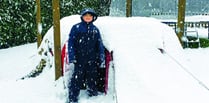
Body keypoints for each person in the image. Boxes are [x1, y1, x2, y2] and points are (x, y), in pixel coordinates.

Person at [67, 8, 105, 103]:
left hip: (92, 58)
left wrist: (101, 56)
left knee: (92, 77)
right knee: (77, 78)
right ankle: (73, 97)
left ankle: (93, 95)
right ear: (82, 17)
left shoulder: (95, 30)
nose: (88, 17)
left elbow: (99, 44)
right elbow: (71, 43)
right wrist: (72, 56)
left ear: (93, 18)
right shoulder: (76, 28)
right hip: (79, 58)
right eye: (86, 16)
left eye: (90, 16)